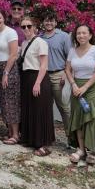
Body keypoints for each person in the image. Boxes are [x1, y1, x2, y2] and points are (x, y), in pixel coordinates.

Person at [65, 24, 95, 164]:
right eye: (78, 33)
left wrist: (85, 87)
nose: (81, 36)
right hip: (76, 88)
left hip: (92, 88)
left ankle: (93, 151)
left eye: (84, 33)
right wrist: (73, 85)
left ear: (90, 35)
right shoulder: (72, 51)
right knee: (78, 120)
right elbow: (67, 70)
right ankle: (81, 149)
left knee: (92, 119)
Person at [19, 16, 55, 156]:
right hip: (27, 78)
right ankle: (32, 139)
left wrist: (38, 83)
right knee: (30, 110)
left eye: (29, 26)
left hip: (38, 78)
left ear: (35, 27)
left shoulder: (40, 42)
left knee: (40, 111)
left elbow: (44, 65)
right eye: (23, 27)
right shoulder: (24, 43)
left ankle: (43, 144)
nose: (26, 29)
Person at [40, 12, 73, 139]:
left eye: (51, 20)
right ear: (43, 22)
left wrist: (66, 73)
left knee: (65, 109)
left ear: (55, 22)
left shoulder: (63, 36)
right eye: (46, 21)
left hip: (59, 75)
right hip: (44, 76)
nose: (49, 23)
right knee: (45, 109)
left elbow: (70, 57)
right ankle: (47, 137)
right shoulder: (40, 37)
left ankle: (71, 139)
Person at [0, 8, 21, 144]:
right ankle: (9, 132)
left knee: (12, 102)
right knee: (4, 102)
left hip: (10, 68)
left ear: (4, 18)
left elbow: (13, 54)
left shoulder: (10, 32)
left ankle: (16, 135)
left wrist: (6, 73)